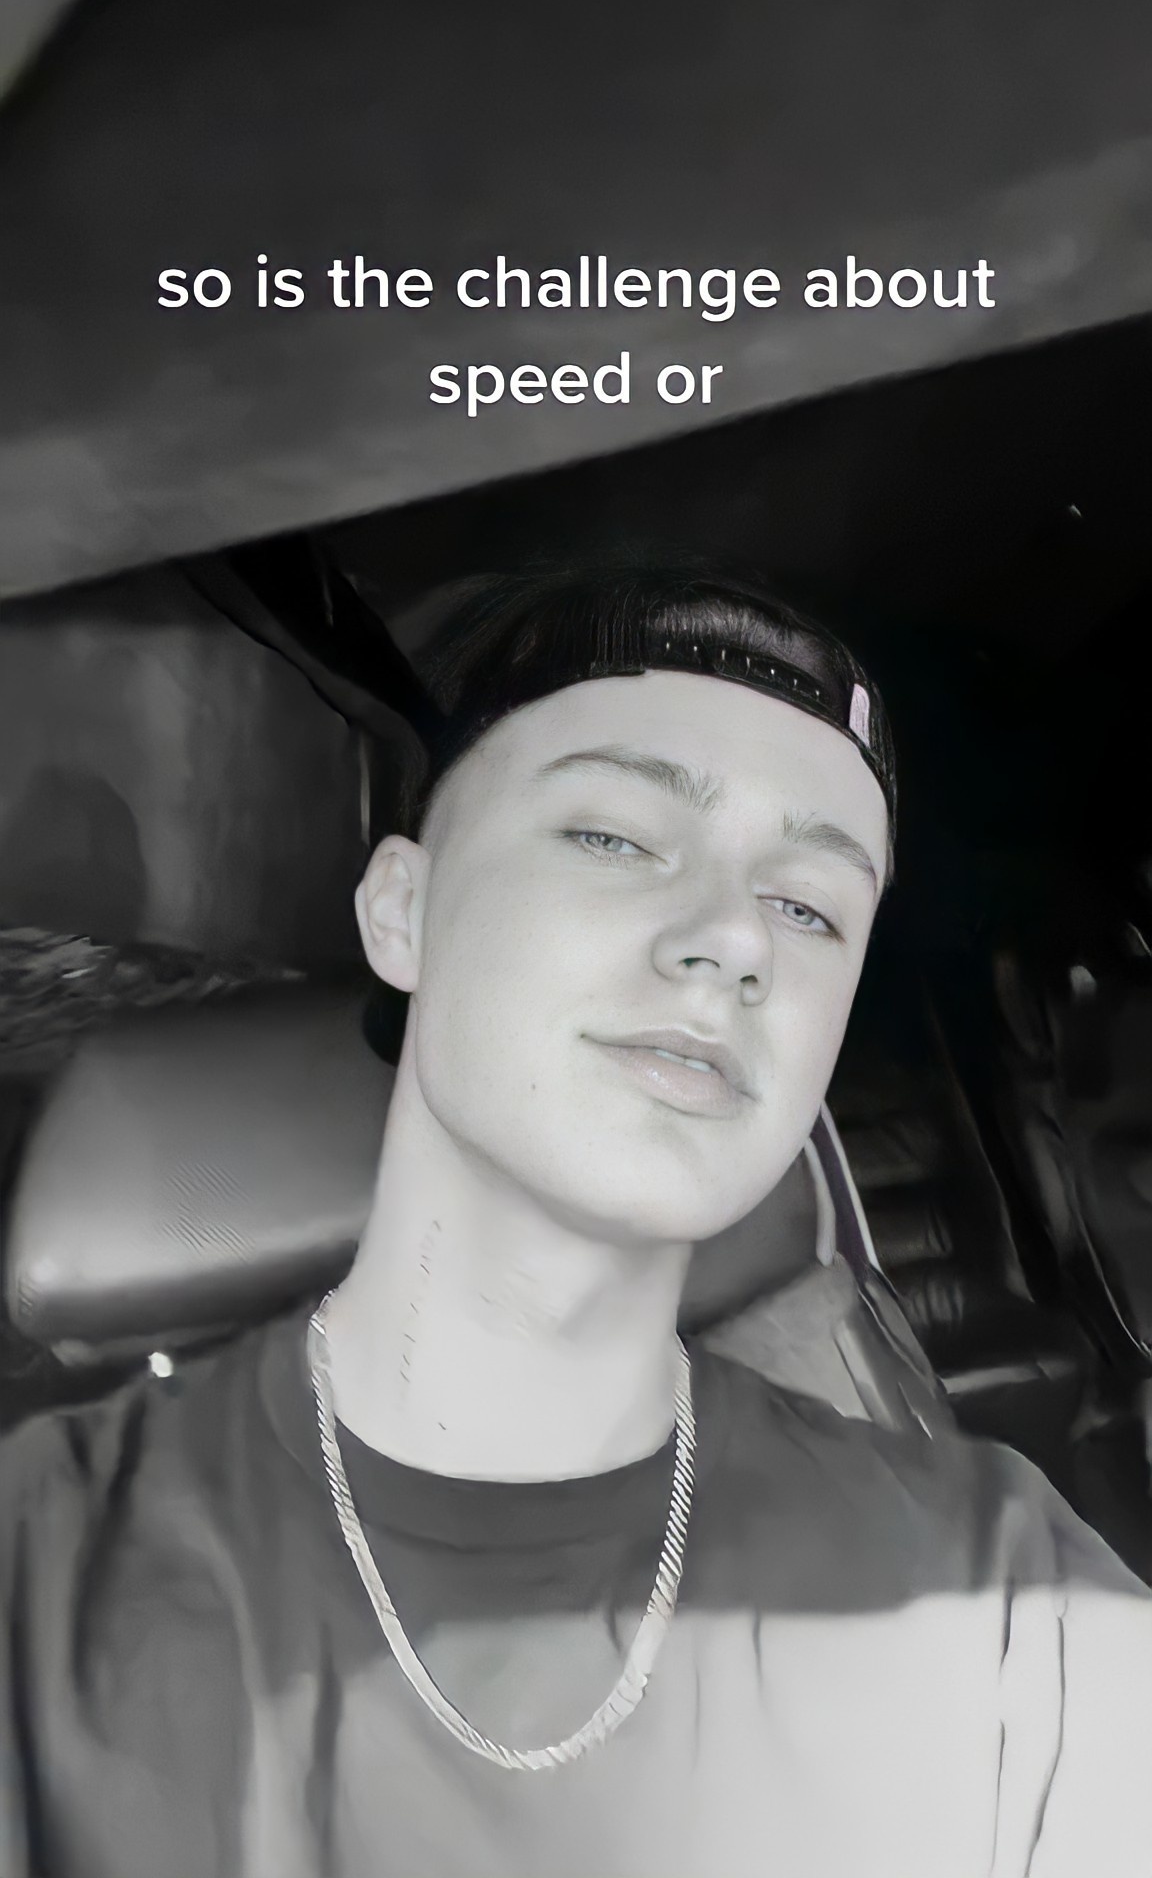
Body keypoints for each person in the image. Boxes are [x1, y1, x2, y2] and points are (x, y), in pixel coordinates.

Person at [2, 562, 1150, 1878]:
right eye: (614, 837)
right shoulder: (38, 1576)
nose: (737, 940)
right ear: (403, 911)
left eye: (808, 905)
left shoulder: (1003, 1605)